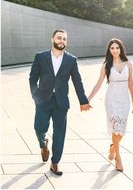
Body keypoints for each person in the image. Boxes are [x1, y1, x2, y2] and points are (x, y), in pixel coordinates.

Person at [29, 29, 92, 176]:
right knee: (39, 128)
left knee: (59, 133)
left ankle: (55, 162)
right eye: (59, 38)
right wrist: (35, 95)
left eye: (64, 39)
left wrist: (83, 100)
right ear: (52, 39)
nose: (61, 41)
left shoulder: (71, 60)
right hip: (42, 100)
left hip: (61, 103)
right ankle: (43, 144)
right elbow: (32, 78)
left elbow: (77, 81)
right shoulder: (40, 57)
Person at [88, 38, 133, 172]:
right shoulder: (106, 65)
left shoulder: (129, 65)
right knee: (116, 127)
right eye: (112, 48)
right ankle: (118, 158)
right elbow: (98, 84)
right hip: (111, 99)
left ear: (121, 49)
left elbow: (131, 84)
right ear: (109, 50)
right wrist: (88, 98)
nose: (115, 50)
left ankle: (113, 147)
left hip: (124, 100)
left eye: (117, 48)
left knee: (121, 130)